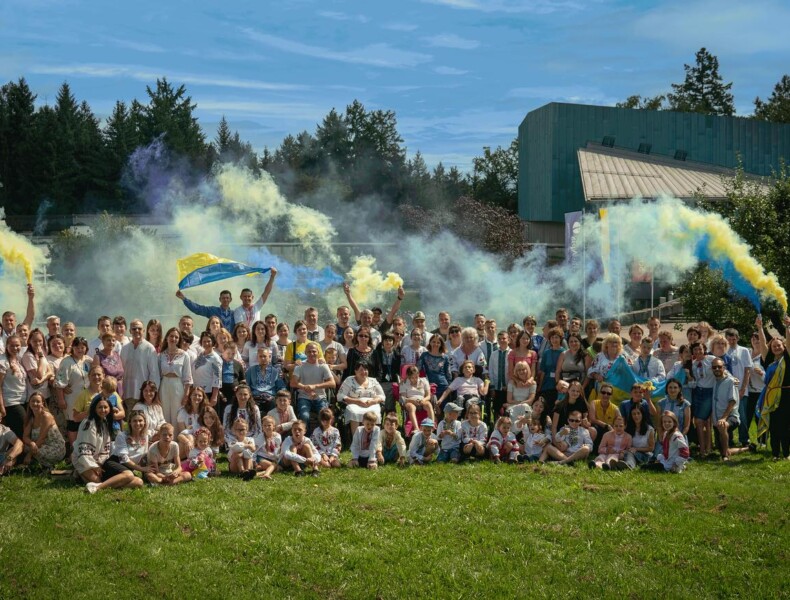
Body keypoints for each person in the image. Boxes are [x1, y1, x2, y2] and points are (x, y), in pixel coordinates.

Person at [74, 396, 143, 493]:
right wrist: (94, 466)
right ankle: (86, 477)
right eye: (100, 407)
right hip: (84, 461)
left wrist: (101, 464)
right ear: (94, 408)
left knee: (138, 482)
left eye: (105, 407)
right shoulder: (88, 423)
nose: (103, 410)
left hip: (101, 462)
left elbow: (107, 448)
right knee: (98, 480)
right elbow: (83, 451)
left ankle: (98, 486)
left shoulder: (105, 422)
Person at [755, 315, 790, 460]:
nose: (776, 347)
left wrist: (787, 327)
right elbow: (763, 344)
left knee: (786, 425)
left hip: (786, 395)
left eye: (779, 345)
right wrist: (759, 328)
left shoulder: (787, 358)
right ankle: (775, 453)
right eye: (774, 346)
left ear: (784, 346)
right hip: (770, 396)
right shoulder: (768, 360)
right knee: (774, 425)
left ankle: (786, 453)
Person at [55, 337, 92, 449]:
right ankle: (73, 449)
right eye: (77, 347)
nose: (80, 350)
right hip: (72, 398)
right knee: (73, 423)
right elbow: (59, 383)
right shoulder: (67, 362)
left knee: (85, 422)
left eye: (82, 347)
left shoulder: (88, 360)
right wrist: (61, 399)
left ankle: (85, 447)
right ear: (73, 348)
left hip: (86, 398)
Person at [120, 320, 159, 416]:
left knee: (142, 421)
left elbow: (154, 373)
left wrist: (152, 393)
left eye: (139, 328)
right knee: (129, 421)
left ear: (144, 330)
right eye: (134, 329)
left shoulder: (149, 348)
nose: (137, 330)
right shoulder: (124, 348)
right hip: (127, 393)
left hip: (143, 395)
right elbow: (121, 371)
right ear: (130, 331)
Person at [291, 342, 336, 425]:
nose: (312, 353)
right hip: (304, 397)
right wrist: (306, 388)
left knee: (324, 417)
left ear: (318, 352)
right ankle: (306, 433)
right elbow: (293, 383)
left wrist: (315, 386)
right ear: (305, 353)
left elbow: (332, 383)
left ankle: (321, 433)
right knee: (304, 416)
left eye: (314, 351)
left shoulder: (323, 366)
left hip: (320, 397)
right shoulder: (300, 365)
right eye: (309, 351)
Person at [723, 328, 753, 447]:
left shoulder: (744, 351)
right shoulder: (724, 351)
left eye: (734, 339)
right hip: (727, 389)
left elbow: (747, 370)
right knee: (727, 414)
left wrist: (743, 388)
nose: (731, 341)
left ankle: (744, 439)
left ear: (738, 338)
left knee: (742, 415)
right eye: (729, 339)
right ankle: (728, 439)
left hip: (741, 389)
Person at [336, 361, 385, 435]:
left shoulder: (373, 381)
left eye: (365, 369)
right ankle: (356, 438)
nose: (364, 372)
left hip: (371, 404)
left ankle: (373, 437)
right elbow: (340, 396)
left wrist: (373, 401)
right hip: (354, 404)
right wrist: (357, 401)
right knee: (354, 413)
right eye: (361, 370)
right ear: (355, 371)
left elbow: (382, 396)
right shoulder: (349, 380)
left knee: (374, 413)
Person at [158, 328, 193, 426]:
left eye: (176, 337)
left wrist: (186, 395)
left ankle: (177, 434)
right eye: (171, 336)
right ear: (167, 338)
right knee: (164, 412)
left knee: (177, 413)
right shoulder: (161, 355)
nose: (173, 339)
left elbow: (188, 377)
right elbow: (158, 375)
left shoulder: (184, 355)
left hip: (177, 385)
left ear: (179, 339)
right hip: (164, 385)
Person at [21, 392, 66, 469]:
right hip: (41, 445)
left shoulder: (46, 416)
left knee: (33, 451)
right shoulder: (31, 418)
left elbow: (42, 438)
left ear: (43, 403)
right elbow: (25, 437)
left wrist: (29, 455)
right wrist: (31, 443)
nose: (35, 403)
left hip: (55, 447)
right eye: (33, 401)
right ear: (29, 403)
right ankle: (38, 464)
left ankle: (45, 465)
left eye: (38, 401)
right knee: (24, 447)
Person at [710, 358, 743, 461]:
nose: (717, 369)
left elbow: (732, 401)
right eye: (714, 367)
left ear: (724, 367)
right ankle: (747, 448)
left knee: (722, 426)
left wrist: (724, 418)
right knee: (722, 448)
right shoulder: (714, 381)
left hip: (731, 417)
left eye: (719, 367)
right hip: (717, 419)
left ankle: (725, 457)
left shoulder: (731, 381)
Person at [0, 335, 28, 438]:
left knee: (22, 432)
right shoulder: (2, 362)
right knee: (22, 431)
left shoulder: (18, 360)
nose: (15, 348)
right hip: (11, 402)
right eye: (12, 346)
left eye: (17, 345)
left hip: (22, 401)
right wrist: (1, 406)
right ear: (6, 346)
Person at [245, 346, 285, 414]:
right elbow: (246, 385)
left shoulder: (275, 371)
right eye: (260, 356)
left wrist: (281, 394)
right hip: (255, 398)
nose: (263, 358)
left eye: (265, 356)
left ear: (269, 357)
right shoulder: (251, 370)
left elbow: (281, 386)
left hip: (270, 398)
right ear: (257, 358)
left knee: (273, 405)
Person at [112, 410, 151, 477]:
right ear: (130, 422)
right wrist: (142, 469)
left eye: (140, 421)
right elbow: (123, 458)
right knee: (137, 480)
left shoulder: (145, 436)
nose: (138, 423)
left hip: (129, 468)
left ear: (144, 422)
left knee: (138, 481)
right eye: (134, 421)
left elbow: (144, 455)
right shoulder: (122, 436)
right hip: (116, 463)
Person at [399, 365, 435, 435]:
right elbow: (403, 398)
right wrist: (412, 401)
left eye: (416, 377)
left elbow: (428, 395)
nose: (415, 379)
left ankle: (431, 425)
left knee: (428, 404)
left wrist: (423, 400)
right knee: (411, 407)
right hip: (409, 400)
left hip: (422, 399)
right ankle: (416, 428)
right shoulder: (404, 383)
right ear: (408, 377)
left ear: (418, 374)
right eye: (412, 378)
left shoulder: (424, 381)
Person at [536, 327, 565, 414]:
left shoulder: (564, 352)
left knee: (556, 409)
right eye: (552, 337)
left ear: (560, 338)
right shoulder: (546, 353)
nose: (554, 340)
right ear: (549, 339)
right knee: (546, 409)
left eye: (556, 337)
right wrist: (540, 387)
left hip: (559, 385)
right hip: (547, 385)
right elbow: (543, 371)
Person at [418, 334, 452, 402]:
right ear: (430, 342)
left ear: (441, 344)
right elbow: (417, 368)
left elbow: (448, 373)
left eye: (438, 342)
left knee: (443, 408)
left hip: (443, 386)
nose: (435, 344)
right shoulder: (424, 355)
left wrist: (449, 387)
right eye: (433, 342)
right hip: (429, 386)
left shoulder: (445, 357)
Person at [192, 331, 222, 409]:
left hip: (208, 393)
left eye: (208, 341)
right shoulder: (200, 354)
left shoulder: (215, 358)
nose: (206, 343)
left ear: (213, 342)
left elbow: (217, 378)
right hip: (197, 391)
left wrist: (214, 396)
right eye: (204, 341)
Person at [621, 404, 655, 469]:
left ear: (642, 415)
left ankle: (629, 466)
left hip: (645, 455)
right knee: (627, 453)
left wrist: (636, 449)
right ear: (631, 415)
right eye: (634, 414)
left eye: (638, 413)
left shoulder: (650, 429)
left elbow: (651, 448)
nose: (636, 416)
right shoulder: (628, 428)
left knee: (630, 453)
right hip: (631, 452)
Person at [177, 387, 208, 456]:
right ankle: (191, 459)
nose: (197, 397)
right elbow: (182, 432)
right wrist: (188, 441)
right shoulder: (183, 412)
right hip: (188, 439)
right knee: (187, 439)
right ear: (190, 396)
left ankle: (191, 460)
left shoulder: (206, 411)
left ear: (203, 398)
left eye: (199, 395)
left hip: (203, 440)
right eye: (194, 395)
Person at [93, 332, 124, 397]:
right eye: (108, 340)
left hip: (119, 389)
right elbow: (96, 377)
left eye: (113, 340)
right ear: (103, 342)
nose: (111, 342)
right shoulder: (98, 356)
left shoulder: (117, 355)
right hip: (107, 391)